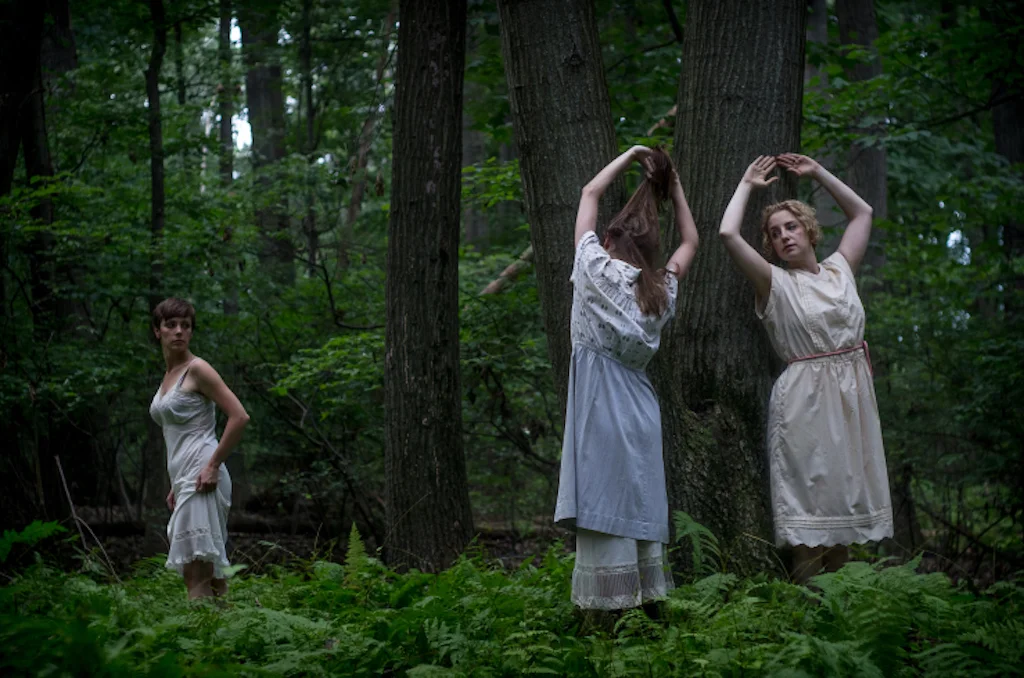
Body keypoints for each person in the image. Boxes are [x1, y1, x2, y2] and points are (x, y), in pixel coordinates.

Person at [718, 153, 893, 583]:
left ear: (810, 230)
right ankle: (805, 620)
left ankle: (841, 621)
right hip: (806, 403)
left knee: (843, 520)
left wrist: (817, 172)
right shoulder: (776, 284)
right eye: (775, 234)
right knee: (810, 522)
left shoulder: (839, 271)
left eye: (791, 226)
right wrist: (746, 182)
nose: (784, 237)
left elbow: (862, 212)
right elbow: (726, 233)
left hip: (852, 400)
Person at [554, 145, 699, 610]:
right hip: (641, 409)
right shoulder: (660, 289)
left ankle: (607, 624)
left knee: (604, 503)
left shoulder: (593, 266)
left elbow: (589, 191)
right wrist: (672, 186)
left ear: (610, 241)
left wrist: (634, 152)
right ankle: (646, 613)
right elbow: (692, 242)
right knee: (636, 501)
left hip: (601, 407)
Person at [149, 298, 250, 598]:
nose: (179, 331)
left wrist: (213, 465)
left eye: (186, 325)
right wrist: (175, 485)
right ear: (158, 331)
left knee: (197, 571)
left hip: (204, 472)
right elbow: (176, 435)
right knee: (210, 575)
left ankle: (198, 642)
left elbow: (239, 416)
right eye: (171, 325)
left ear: (192, 332)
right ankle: (227, 640)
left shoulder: (198, 369)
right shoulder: (168, 377)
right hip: (186, 478)